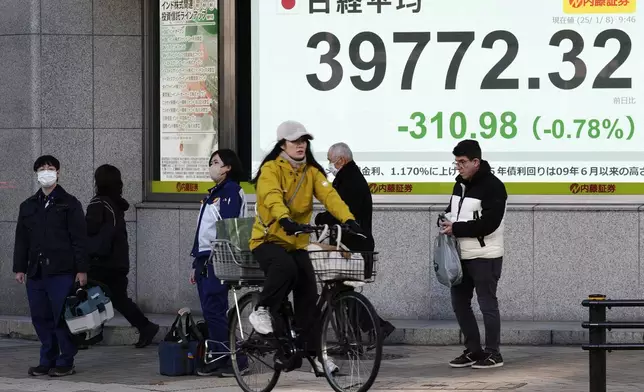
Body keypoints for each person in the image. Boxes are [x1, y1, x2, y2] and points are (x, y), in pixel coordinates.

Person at [247, 120, 362, 373]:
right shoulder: (270, 170)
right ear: (282, 144)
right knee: (285, 269)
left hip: (295, 242)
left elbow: (329, 196)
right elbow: (272, 196)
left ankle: (315, 355)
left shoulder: (311, 172)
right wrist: (284, 219)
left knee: (309, 295)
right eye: (294, 141)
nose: (300, 146)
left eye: (303, 141)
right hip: (268, 240)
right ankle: (261, 309)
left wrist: (348, 218)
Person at [13, 155, 88, 377]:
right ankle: (47, 359)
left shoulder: (69, 203)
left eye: (51, 168)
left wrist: (81, 270)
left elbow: (79, 239)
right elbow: (22, 239)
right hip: (36, 271)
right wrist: (20, 268)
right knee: (41, 317)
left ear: (58, 172)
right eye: (42, 168)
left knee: (61, 317)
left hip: (62, 271)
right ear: (36, 174)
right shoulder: (28, 205)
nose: (47, 172)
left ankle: (66, 359)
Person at [314, 142, 396, 338]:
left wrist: (320, 218)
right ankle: (361, 334)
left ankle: (374, 327)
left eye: (330, 160)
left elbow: (341, 212)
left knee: (343, 293)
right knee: (342, 294)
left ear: (341, 160)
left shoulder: (349, 180)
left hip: (352, 246)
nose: (329, 164)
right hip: (353, 244)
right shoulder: (350, 177)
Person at [439, 140, 507, 369]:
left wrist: (456, 228)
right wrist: (445, 219)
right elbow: (452, 210)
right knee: (459, 303)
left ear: (476, 162)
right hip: (461, 255)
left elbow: (490, 224)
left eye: (462, 162)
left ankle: (493, 353)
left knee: (487, 304)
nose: (458, 167)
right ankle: (474, 350)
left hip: (485, 255)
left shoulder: (494, 187)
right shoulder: (459, 185)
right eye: (456, 162)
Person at [85, 164, 159, 349]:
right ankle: (145, 326)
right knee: (118, 298)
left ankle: (89, 333)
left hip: (101, 261)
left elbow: (90, 229)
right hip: (118, 261)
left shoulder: (98, 203)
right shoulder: (115, 204)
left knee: (90, 295)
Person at [189, 149, 249, 377]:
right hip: (206, 258)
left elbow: (228, 228)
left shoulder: (231, 191)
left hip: (219, 257)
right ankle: (221, 356)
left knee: (215, 310)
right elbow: (203, 231)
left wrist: (215, 258)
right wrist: (197, 262)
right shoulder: (215, 192)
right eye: (211, 162)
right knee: (211, 310)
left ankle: (233, 359)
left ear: (228, 168)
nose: (212, 166)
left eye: (216, 162)